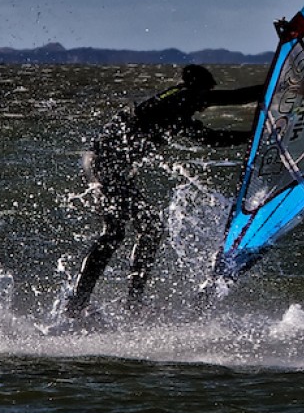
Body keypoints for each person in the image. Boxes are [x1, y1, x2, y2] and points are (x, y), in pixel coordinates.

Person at [65, 64, 262, 317]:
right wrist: (256, 128)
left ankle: (103, 302)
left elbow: (229, 100)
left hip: (99, 162)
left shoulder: (174, 99)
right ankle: (113, 302)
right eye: (207, 94)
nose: (206, 104)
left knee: (134, 231)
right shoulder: (183, 99)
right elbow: (219, 121)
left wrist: (271, 92)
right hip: (105, 164)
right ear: (200, 88)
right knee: (123, 232)